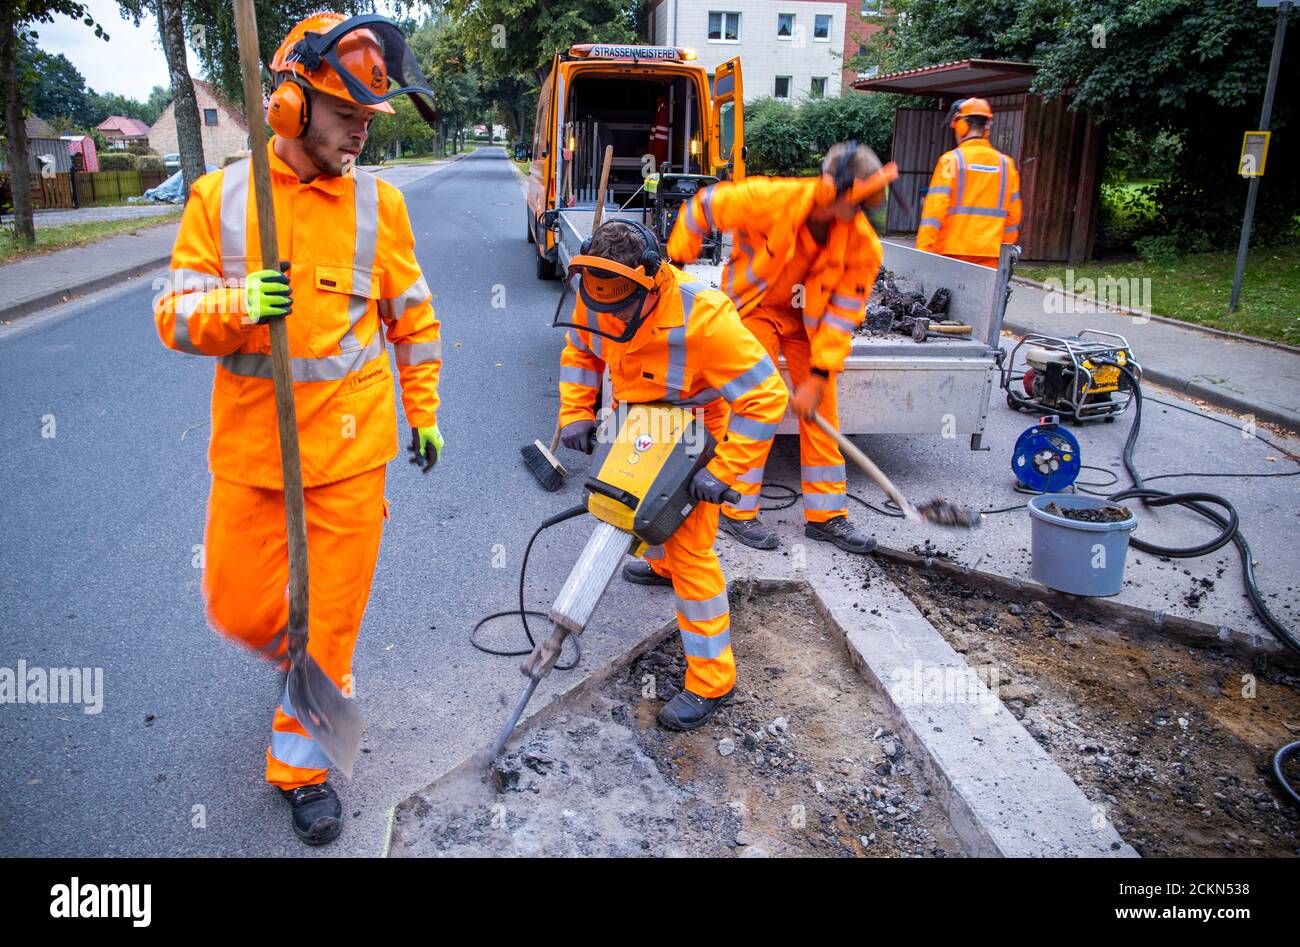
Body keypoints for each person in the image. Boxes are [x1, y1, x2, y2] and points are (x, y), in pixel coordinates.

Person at [152, 12, 442, 846]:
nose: (359, 133)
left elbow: (413, 320)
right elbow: (173, 318)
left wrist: (423, 410)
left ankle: (305, 765)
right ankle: (310, 668)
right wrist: (238, 305)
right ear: (288, 106)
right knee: (239, 606)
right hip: (253, 457)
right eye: (347, 114)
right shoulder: (222, 198)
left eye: (368, 119)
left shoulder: (379, 207)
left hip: (353, 461)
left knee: (330, 627)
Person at [556, 219, 787, 730]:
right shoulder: (600, 287)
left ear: (651, 281)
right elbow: (580, 351)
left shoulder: (704, 315)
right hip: (636, 419)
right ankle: (661, 569)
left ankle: (712, 680)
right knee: (636, 507)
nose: (609, 317)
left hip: (692, 430)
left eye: (620, 309)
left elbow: (766, 394)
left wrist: (726, 468)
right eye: (602, 307)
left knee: (691, 552)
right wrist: (574, 412)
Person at [667, 142, 890, 553]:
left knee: (821, 409)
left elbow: (841, 318)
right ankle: (737, 508)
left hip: (809, 325)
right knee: (756, 403)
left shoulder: (862, 245)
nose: (858, 215)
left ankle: (826, 516)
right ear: (832, 189)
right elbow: (705, 205)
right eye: (855, 203)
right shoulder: (771, 199)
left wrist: (819, 378)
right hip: (754, 310)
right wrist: (678, 258)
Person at [915, 98, 1022, 267]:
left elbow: (935, 209)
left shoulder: (950, 161)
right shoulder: (1006, 165)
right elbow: (1013, 216)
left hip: (951, 254)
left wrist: (922, 251)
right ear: (986, 129)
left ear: (961, 125)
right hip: (991, 256)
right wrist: (1004, 251)